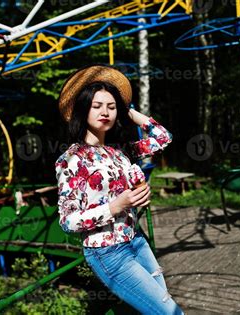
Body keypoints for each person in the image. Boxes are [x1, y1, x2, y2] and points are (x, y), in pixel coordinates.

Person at [55, 65, 184, 314]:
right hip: (108, 252)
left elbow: (163, 137)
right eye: (97, 106)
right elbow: (67, 221)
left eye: (111, 107)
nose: (105, 112)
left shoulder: (120, 151)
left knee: (157, 306)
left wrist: (129, 111)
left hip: (136, 240)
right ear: (83, 110)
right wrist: (117, 206)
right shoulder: (72, 159)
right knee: (170, 312)